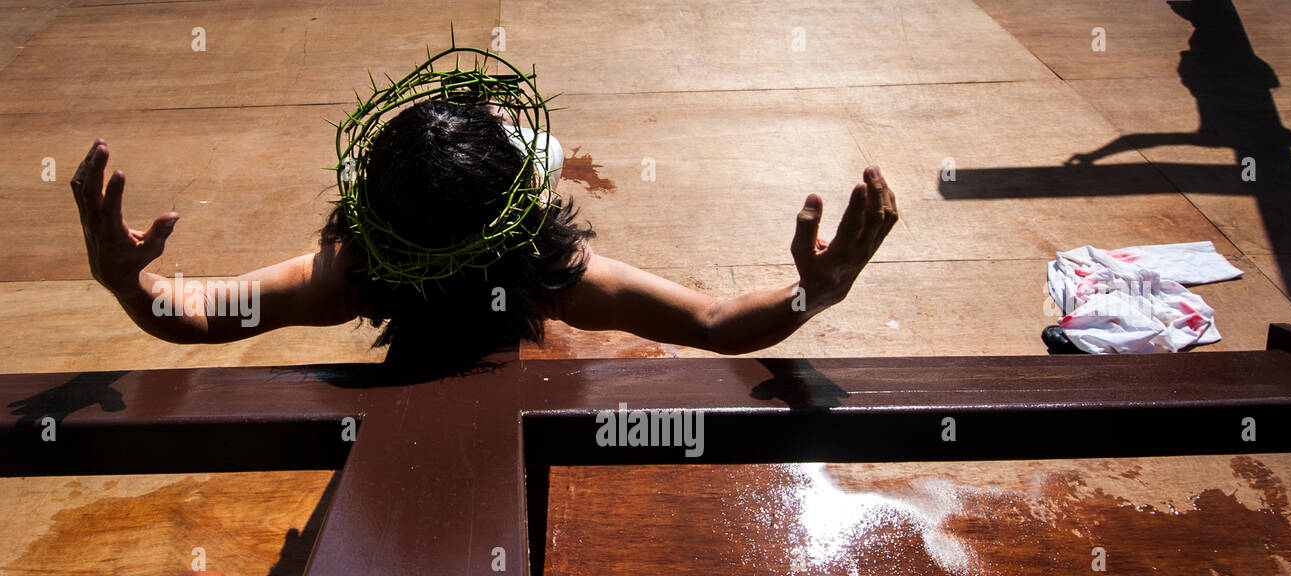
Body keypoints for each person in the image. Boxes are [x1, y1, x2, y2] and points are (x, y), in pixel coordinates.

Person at [71, 101, 898, 373]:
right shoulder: (552, 277)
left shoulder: (354, 274)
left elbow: (197, 313)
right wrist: (811, 292)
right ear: (524, 224)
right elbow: (716, 324)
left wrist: (126, 281)